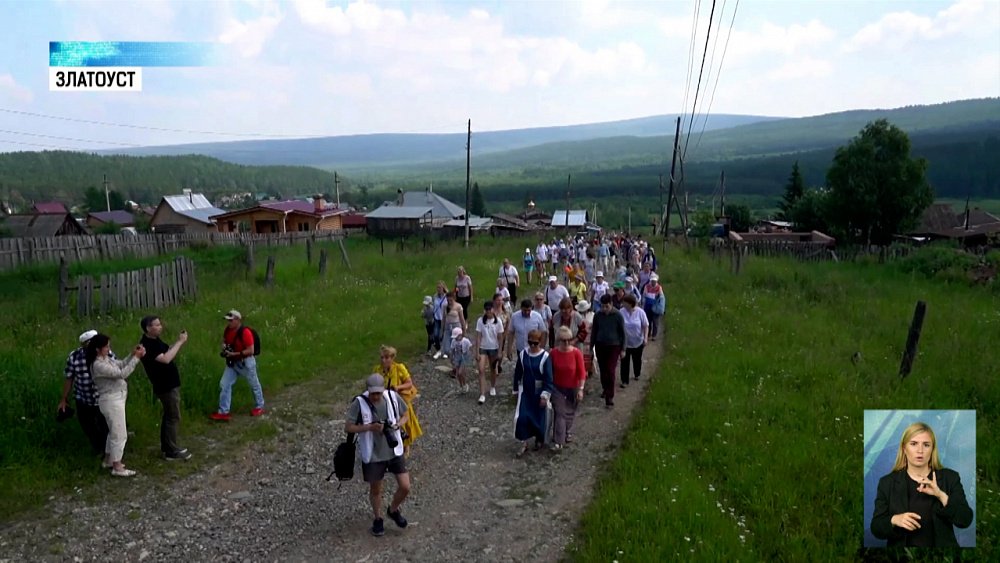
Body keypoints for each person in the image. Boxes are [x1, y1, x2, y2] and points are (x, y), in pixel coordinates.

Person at [870, 422, 973, 547]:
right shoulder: (887, 482)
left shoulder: (950, 478)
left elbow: (965, 520)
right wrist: (894, 519)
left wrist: (941, 495)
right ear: (904, 448)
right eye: (913, 444)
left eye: (926, 445)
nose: (920, 450)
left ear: (932, 449)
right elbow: (876, 527)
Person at [344, 374, 411, 537]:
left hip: (394, 449)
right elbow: (348, 427)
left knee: (405, 486)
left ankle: (393, 509)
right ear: (367, 390)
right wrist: (369, 427)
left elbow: (406, 414)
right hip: (373, 454)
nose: (376, 397)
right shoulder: (359, 403)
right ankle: (378, 518)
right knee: (376, 489)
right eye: (373, 393)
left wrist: (397, 425)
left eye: (378, 393)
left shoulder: (392, 397)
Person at [88, 333, 145, 477]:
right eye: (106, 346)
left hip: (117, 398)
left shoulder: (105, 359)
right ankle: (117, 466)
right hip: (111, 401)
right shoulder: (98, 365)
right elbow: (121, 373)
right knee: (120, 434)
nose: (109, 348)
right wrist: (136, 359)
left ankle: (108, 460)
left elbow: (119, 364)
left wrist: (131, 355)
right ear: (97, 349)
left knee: (114, 432)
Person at [138, 316, 192, 461]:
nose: (160, 327)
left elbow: (167, 352)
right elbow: (166, 359)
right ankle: (171, 451)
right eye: (157, 325)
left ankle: (168, 447)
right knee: (173, 416)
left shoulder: (155, 341)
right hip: (165, 385)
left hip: (170, 383)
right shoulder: (148, 345)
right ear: (148, 328)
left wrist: (175, 344)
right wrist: (180, 342)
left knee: (169, 415)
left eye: (160, 324)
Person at [58, 330, 110, 456]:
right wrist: (64, 398)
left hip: (102, 397)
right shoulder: (74, 356)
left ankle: (108, 451)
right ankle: (98, 448)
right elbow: (69, 377)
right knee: (88, 426)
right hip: (83, 397)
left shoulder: (107, 353)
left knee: (105, 425)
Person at [210, 310, 265, 421]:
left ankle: (260, 406)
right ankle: (223, 412)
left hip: (246, 362)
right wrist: (224, 347)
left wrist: (235, 353)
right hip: (233, 362)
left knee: (254, 384)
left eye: (231, 320)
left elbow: (251, 350)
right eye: (227, 320)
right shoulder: (227, 330)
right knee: (224, 384)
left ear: (238, 320)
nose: (229, 323)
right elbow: (224, 341)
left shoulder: (245, 333)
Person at [374, 346, 423, 458]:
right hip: (384, 401)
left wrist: (398, 387)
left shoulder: (399, 368)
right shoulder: (377, 370)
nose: (383, 360)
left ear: (392, 358)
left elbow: (409, 384)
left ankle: (406, 447)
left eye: (386, 358)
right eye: (382, 358)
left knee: (404, 424)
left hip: (399, 400)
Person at [512, 329, 553, 456]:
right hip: (526, 391)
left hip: (539, 392)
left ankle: (539, 438)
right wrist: (515, 389)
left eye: (535, 343)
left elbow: (548, 378)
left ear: (540, 342)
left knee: (538, 417)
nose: (532, 346)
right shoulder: (523, 354)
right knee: (522, 417)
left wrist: (545, 395)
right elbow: (518, 373)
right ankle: (523, 441)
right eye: (530, 343)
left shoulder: (545, 357)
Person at [550, 326, 586, 449]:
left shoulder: (576, 353)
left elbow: (582, 373)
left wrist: (581, 389)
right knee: (560, 413)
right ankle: (558, 441)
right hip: (557, 388)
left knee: (570, 413)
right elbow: (549, 372)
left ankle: (566, 431)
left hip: (573, 387)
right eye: (563, 340)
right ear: (558, 340)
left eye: (568, 340)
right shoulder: (553, 353)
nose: (566, 343)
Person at [590, 294, 625, 408]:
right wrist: (591, 347)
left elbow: (623, 333)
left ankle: (610, 396)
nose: (604, 309)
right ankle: (605, 388)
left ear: (611, 304)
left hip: (614, 346)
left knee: (610, 370)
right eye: (602, 306)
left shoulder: (618, 315)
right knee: (603, 370)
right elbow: (594, 331)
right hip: (600, 345)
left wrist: (623, 349)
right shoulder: (598, 315)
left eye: (606, 306)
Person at [508, 299, 547, 387]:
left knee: (533, 369)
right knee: (520, 368)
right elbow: (511, 333)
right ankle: (518, 388)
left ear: (531, 309)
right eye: (524, 310)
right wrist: (509, 349)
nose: (526, 312)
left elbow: (544, 331)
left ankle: (533, 386)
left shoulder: (537, 316)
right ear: (521, 308)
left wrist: (542, 346)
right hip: (521, 348)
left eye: (529, 310)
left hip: (535, 348)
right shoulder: (515, 316)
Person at [474, 300, 505, 405]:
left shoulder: (498, 321)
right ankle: (482, 393)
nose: (488, 311)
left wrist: (500, 351)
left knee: (492, 369)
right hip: (483, 347)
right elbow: (478, 336)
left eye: (489, 309)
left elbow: (500, 337)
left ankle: (492, 386)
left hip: (494, 347)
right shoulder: (480, 321)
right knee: (481, 370)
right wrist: (477, 351)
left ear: (493, 309)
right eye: (486, 309)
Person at [619, 295, 649, 388]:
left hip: (638, 342)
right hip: (625, 343)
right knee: (624, 362)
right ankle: (624, 381)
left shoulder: (640, 312)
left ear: (630, 303)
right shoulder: (621, 312)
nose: (622, 304)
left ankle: (637, 373)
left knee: (637, 360)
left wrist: (645, 338)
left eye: (624, 302)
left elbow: (645, 325)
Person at [642, 273, 667, 341]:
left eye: (654, 281)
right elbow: (644, 295)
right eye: (652, 281)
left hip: (655, 307)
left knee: (655, 322)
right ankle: (648, 334)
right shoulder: (647, 286)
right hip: (648, 306)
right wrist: (643, 304)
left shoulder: (659, 287)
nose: (653, 282)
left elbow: (661, 297)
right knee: (648, 321)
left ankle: (654, 335)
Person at [443, 291, 467, 359]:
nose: (449, 302)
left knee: (456, 346)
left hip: (456, 327)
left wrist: (463, 330)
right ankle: (452, 358)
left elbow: (462, 319)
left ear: (454, 299)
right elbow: (443, 318)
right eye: (448, 300)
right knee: (447, 348)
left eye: (451, 300)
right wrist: (442, 330)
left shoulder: (458, 306)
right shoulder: (445, 306)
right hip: (448, 327)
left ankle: (457, 362)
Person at [449, 327, 473, 393]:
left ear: (460, 335)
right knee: (458, 374)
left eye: (456, 337)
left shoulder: (466, 341)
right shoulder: (454, 341)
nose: (455, 338)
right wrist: (451, 358)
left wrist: (470, 356)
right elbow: (452, 350)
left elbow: (470, 348)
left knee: (460, 372)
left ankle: (465, 384)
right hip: (457, 356)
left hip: (464, 357)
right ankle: (461, 385)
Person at [431, 282, 449, 359]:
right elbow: (433, 306)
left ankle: (444, 350)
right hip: (437, 318)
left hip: (444, 319)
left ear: (443, 288)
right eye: (437, 288)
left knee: (444, 335)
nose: (438, 289)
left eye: (440, 288)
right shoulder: (434, 297)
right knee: (436, 335)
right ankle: (438, 349)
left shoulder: (447, 297)